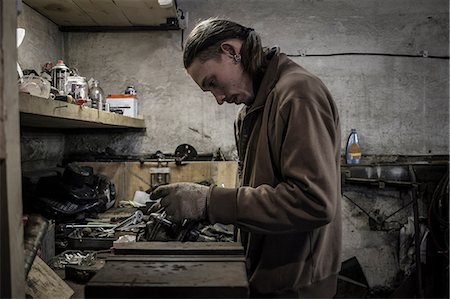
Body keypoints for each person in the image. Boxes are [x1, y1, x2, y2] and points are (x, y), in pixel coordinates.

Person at [150, 18, 342, 298]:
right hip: (267, 273)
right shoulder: (251, 112)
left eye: (213, 82)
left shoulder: (298, 94)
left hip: (297, 283)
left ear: (231, 51)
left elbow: (314, 201)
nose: (217, 98)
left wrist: (209, 202)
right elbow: (260, 190)